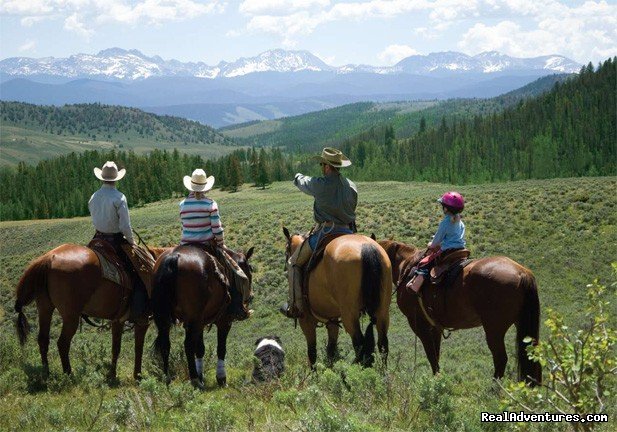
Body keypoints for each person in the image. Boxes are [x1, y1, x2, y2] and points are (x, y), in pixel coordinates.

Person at [280, 147, 358, 318]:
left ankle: (296, 306)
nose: (322, 168)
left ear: (327, 166)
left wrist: (297, 176)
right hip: (349, 232)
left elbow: (303, 182)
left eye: (322, 164)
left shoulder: (321, 184)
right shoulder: (352, 186)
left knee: (293, 263)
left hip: (326, 232)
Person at [179, 168, 252, 321]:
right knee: (234, 271)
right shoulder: (210, 204)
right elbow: (217, 229)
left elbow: (185, 226)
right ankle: (237, 307)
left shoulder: (182, 204)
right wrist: (221, 244)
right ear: (206, 187)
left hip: (185, 246)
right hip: (206, 245)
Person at [88, 161, 148, 322]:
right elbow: (125, 226)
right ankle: (136, 311)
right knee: (138, 272)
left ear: (102, 178)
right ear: (116, 179)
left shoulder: (94, 196)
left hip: (97, 239)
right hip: (114, 241)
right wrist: (132, 242)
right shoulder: (119, 197)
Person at [407, 191, 466, 293]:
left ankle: (415, 287)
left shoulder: (445, 222)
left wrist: (431, 244)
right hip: (461, 249)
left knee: (424, 263)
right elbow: (454, 236)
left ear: (446, 208)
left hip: (447, 250)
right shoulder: (460, 222)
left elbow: (435, 243)